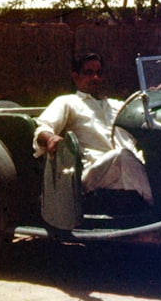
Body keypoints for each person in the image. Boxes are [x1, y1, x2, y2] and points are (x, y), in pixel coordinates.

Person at [33, 52, 153, 205]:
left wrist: (154, 97)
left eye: (98, 73)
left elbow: (145, 122)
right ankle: (159, 210)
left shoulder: (118, 105)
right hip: (93, 173)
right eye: (88, 73)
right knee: (123, 156)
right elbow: (42, 128)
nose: (95, 78)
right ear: (75, 77)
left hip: (130, 166)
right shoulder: (67, 102)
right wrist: (50, 138)